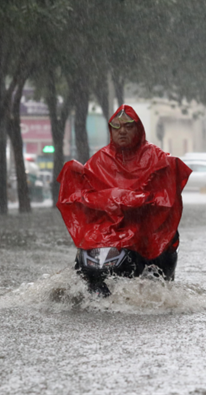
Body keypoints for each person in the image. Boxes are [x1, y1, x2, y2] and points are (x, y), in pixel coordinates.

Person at [56, 105, 191, 286]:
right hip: (108, 230)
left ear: (138, 129)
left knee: (162, 250)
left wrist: (140, 201)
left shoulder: (156, 157)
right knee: (80, 264)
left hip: (144, 227)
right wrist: (107, 199)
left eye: (128, 126)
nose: (122, 132)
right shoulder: (99, 159)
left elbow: (165, 191)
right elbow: (86, 189)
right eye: (117, 127)